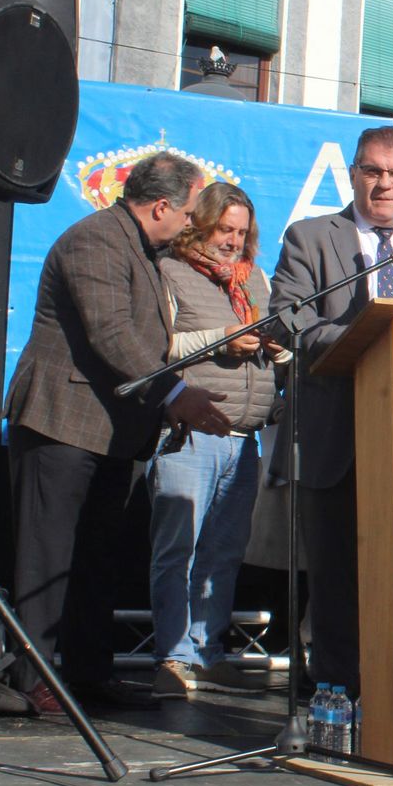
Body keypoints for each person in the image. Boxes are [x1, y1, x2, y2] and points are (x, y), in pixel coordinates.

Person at [3, 152, 232, 711]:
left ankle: (86, 674)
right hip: (63, 420)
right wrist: (177, 395)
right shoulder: (96, 239)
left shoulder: (142, 249)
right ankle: (32, 681)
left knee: (95, 560)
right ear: (160, 206)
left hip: (111, 431)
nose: (188, 226)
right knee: (47, 558)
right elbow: (111, 333)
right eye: (186, 215)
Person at [268, 125, 393, 693]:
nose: (383, 183)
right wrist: (358, 330)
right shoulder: (312, 237)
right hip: (339, 434)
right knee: (338, 580)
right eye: (371, 170)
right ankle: (340, 698)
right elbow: (288, 319)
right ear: (354, 174)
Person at [148, 182, 290, 699]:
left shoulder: (253, 282)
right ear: (200, 225)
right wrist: (221, 340)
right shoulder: (171, 272)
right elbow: (159, 346)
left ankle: (207, 653)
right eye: (223, 230)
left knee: (224, 553)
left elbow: (271, 348)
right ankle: (172, 657)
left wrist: (278, 352)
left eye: (241, 232)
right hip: (188, 432)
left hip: (244, 436)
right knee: (178, 550)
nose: (232, 241)